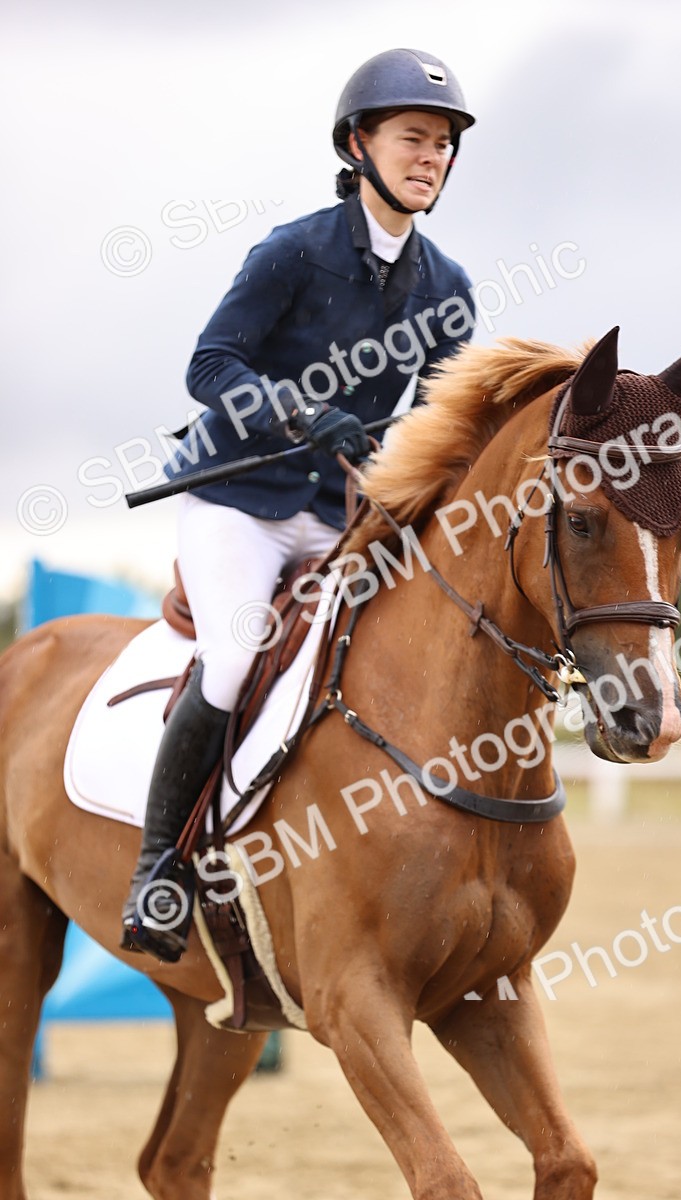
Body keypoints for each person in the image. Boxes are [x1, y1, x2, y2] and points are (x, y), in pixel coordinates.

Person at [121, 47, 477, 962]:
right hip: (239, 499)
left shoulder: (449, 293)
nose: (429, 157)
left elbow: (433, 425)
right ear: (359, 144)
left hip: (340, 515)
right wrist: (294, 407)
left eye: (442, 144)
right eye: (412, 138)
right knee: (238, 652)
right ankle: (159, 869)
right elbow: (208, 367)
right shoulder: (291, 251)